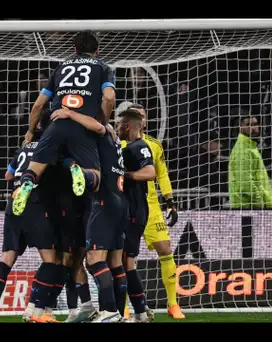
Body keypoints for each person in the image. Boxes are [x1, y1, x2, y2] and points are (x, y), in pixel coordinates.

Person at [12, 31, 116, 216]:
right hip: (82, 127)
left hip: (55, 124)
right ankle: (80, 173)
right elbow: (109, 98)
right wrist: (102, 121)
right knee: (96, 177)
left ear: (74, 50)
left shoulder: (60, 68)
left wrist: (29, 131)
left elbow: (38, 105)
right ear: (97, 50)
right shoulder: (103, 68)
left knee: (35, 167)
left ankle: (26, 184)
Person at [50, 108, 129, 323]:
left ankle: (109, 311)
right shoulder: (114, 142)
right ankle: (118, 314)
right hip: (121, 202)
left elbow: (96, 126)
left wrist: (69, 113)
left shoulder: (102, 132)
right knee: (115, 262)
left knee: (94, 261)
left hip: (103, 202)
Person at [0, 110, 60, 323]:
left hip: (13, 204)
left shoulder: (23, 148)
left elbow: (8, 175)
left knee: (7, 258)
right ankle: (33, 309)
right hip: (34, 204)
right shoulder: (49, 147)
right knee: (50, 261)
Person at [116, 102, 184, 320]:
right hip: (126, 205)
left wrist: (170, 200)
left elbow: (161, 174)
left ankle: (173, 304)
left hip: (151, 205)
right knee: (125, 256)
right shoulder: (118, 143)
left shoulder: (154, 144)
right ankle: (125, 306)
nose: (142, 119)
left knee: (165, 249)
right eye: (138, 116)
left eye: (144, 115)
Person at [116, 109, 157, 323]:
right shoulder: (129, 147)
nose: (117, 128)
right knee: (123, 261)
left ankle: (138, 313)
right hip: (130, 210)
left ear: (128, 126)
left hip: (134, 211)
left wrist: (126, 175)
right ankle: (139, 312)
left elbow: (150, 173)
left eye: (120, 124)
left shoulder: (140, 147)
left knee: (125, 262)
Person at [229, 116, 272, 209]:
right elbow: (245, 183)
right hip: (249, 207)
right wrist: (260, 202)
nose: (253, 128)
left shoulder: (251, 147)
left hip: (256, 207)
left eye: (255, 124)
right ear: (240, 128)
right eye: (248, 125)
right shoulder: (242, 149)